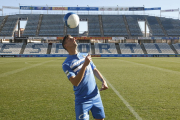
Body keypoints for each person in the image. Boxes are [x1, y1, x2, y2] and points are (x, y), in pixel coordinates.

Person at [62, 35, 108, 120]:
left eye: (73, 37)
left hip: (95, 95)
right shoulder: (66, 64)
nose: (73, 38)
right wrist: (84, 65)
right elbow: (75, 82)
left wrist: (103, 81)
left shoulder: (85, 55)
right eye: (69, 39)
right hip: (82, 100)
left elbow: (94, 69)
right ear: (66, 46)